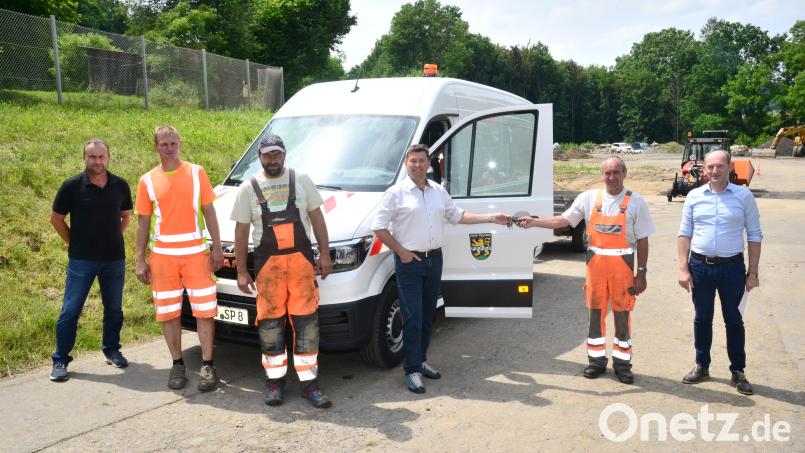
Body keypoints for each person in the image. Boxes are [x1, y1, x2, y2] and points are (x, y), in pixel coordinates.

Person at [372, 144, 510, 394]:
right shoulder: (396, 193)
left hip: (434, 260)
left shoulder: (437, 190)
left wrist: (491, 218)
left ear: (428, 163)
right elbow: (378, 226)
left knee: (428, 316)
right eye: (413, 161)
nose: (417, 165)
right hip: (410, 263)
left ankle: (420, 360)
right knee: (413, 317)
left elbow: (457, 215)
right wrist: (401, 252)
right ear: (406, 164)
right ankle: (411, 370)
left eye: (422, 161)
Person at [517, 156, 655, 384]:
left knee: (622, 314)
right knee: (595, 314)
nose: (612, 177)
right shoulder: (589, 198)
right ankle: (596, 361)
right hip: (596, 264)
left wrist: (641, 272)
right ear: (602, 175)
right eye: (607, 173)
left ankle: (622, 364)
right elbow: (563, 220)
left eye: (616, 172)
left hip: (622, 265)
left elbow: (642, 239)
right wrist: (534, 222)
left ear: (624, 173)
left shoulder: (636, 202)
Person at [231, 134, 333, 409]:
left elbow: (317, 218)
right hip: (269, 272)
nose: (272, 159)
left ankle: (310, 385)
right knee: (271, 328)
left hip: (301, 269)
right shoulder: (248, 188)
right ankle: (274, 383)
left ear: (284, 154)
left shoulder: (301, 180)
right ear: (259, 157)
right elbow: (241, 232)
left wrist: (325, 254)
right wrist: (242, 271)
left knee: (307, 327)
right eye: (267, 155)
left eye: (277, 154)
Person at [135, 125, 224, 391]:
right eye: (164, 144)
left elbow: (209, 211)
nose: (169, 148)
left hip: (196, 255)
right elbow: (143, 222)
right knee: (168, 314)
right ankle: (177, 364)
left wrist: (217, 248)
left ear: (180, 144)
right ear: (156, 147)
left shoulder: (197, 173)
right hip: (162, 258)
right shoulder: (147, 180)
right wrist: (139, 259)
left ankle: (207, 365)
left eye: (173, 143)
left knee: (205, 311)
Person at [678, 149, 762, 395]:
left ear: (729, 168)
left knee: (734, 320)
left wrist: (753, 273)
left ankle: (738, 371)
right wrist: (683, 269)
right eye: (710, 166)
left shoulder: (744, 196)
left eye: (720, 166)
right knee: (702, 318)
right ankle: (702, 366)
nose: (714, 171)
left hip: (732, 269)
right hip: (700, 268)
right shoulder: (694, 196)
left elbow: (754, 235)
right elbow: (684, 234)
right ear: (704, 169)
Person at [49, 139, 133, 381]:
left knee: (114, 309)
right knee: (70, 311)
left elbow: (125, 215)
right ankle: (60, 359)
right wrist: (74, 242)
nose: (97, 161)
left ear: (108, 158)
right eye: (92, 156)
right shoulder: (71, 186)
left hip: (114, 259)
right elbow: (56, 219)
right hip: (81, 260)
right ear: (84, 158)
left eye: (101, 156)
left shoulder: (120, 185)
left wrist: (115, 235)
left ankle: (112, 350)